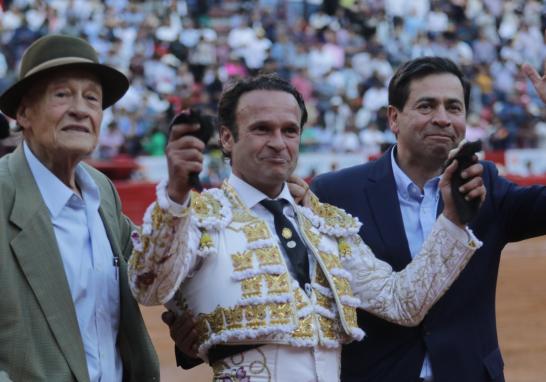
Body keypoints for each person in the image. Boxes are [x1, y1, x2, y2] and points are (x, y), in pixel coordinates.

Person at [127, 73, 484, 381]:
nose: (279, 143)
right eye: (261, 129)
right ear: (226, 138)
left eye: (290, 131)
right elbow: (148, 286)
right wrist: (175, 194)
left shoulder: (324, 224)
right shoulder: (201, 216)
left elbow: (402, 302)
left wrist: (452, 219)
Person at [311, 56, 546, 382]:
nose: (442, 119)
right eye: (426, 106)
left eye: (454, 107)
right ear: (394, 117)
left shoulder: (485, 183)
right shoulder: (335, 192)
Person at [0, 34, 159, 381]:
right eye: (62, 94)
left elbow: (149, 275)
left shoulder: (101, 191)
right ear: (24, 113)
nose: (80, 109)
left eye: (92, 98)